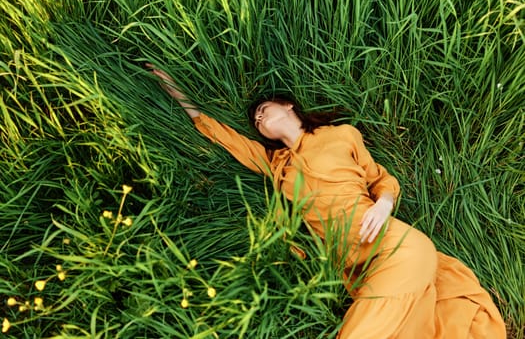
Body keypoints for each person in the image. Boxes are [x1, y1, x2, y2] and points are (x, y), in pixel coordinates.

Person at [147, 64, 507, 339]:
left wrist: (383, 205)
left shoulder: (341, 135)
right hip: (356, 266)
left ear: (288, 105)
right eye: (255, 120)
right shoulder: (277, 166)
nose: (258, 118)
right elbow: (224, 137)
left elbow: (381, 178)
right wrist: (175, 90)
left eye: (264, 109)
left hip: (395, 244)